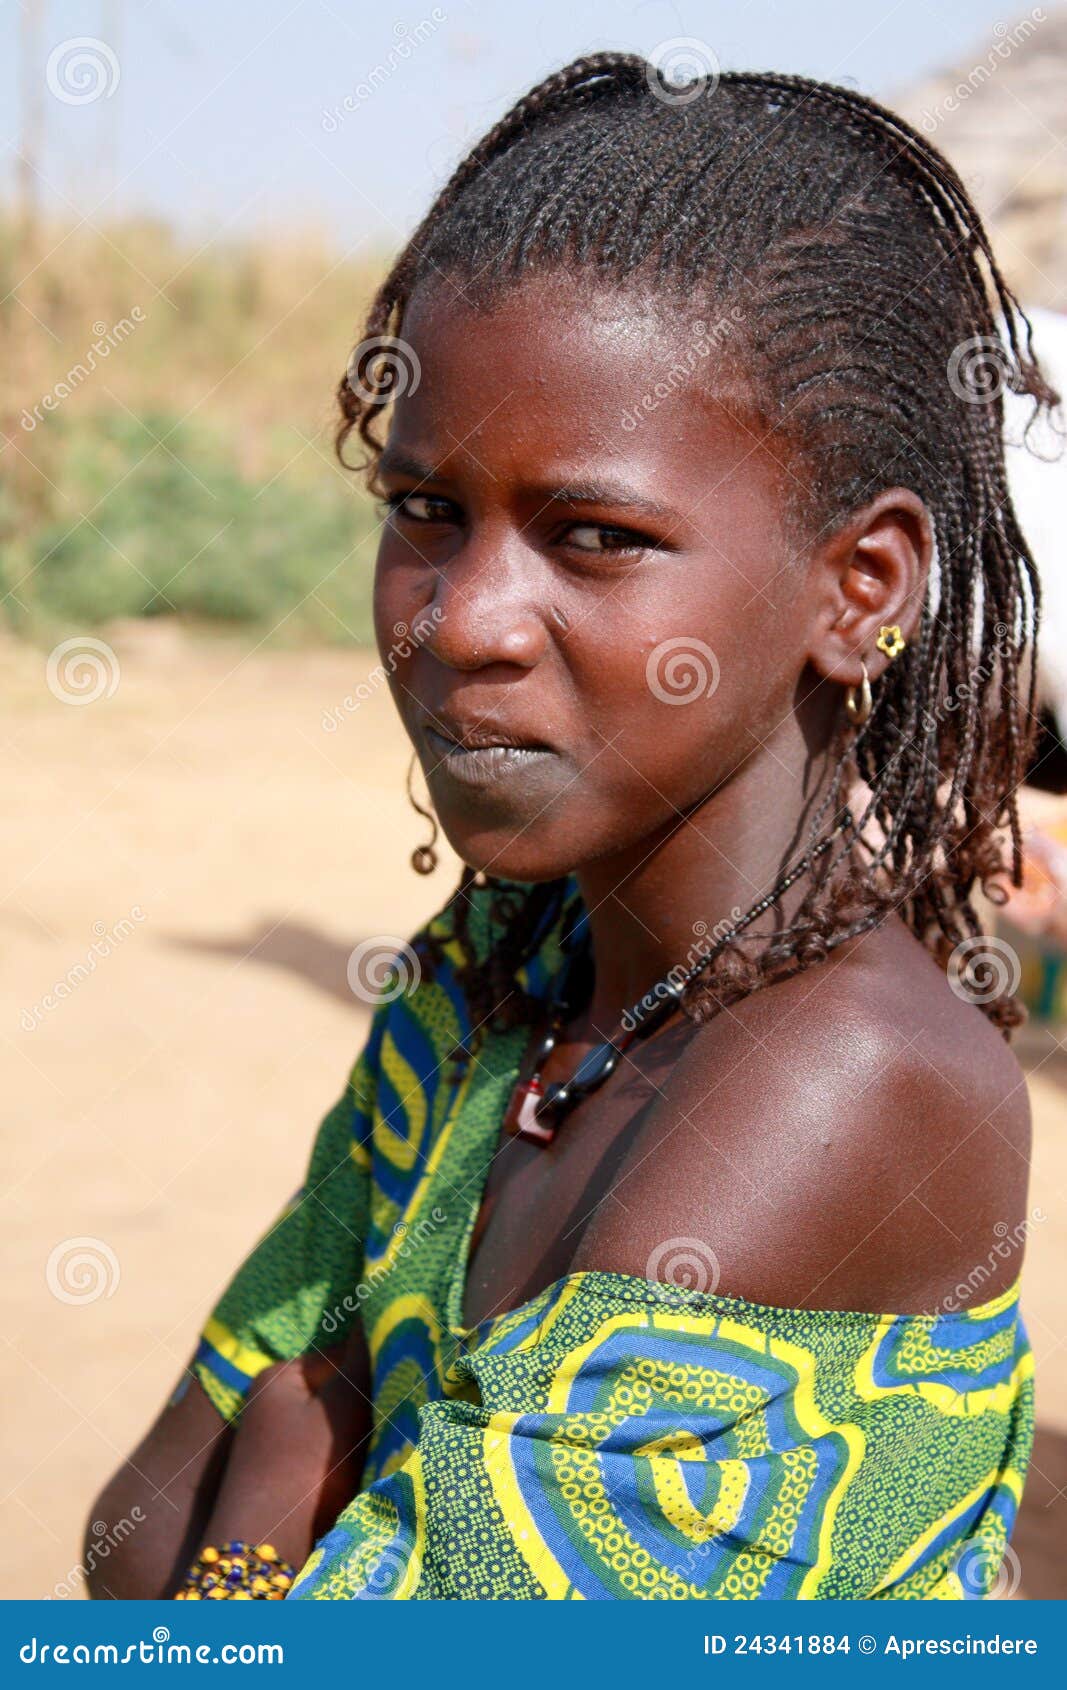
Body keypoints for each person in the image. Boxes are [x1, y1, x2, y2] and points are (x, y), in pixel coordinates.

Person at [89, 54, 1048, 1601]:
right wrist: (278, 1494)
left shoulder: (845, 1082)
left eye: (596, 537)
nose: (462, 619)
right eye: (423, 511)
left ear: (859, 588)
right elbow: (124, 1546)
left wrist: (274, 1463)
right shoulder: (498, 970)